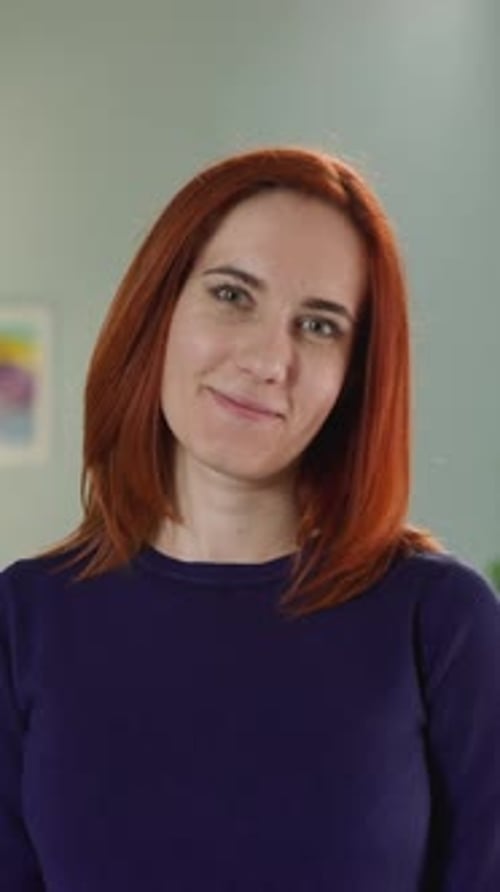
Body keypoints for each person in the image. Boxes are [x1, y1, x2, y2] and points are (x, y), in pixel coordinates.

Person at [1, 146, 499, 892]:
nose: (271, 359)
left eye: (321, 326)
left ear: (352, 380)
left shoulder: (441, 623)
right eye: (234, 295)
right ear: (159, 309)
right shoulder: (24, 620)